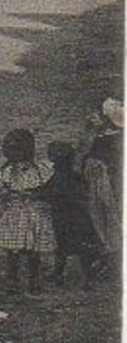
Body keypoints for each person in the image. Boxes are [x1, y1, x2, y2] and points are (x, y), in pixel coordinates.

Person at [0, 128, 56, 296]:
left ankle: (33, 281)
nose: (12, 155)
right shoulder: (6, 171)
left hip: (33, 214)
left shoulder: (39, 170)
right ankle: (12, 281)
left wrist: (34, 195)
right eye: (9, 150)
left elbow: (47, 191)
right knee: (12, 251)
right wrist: (7, 194)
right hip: (14, 215)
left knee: (32, 251)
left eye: (16, 150)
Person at [46, 141, 100, 291]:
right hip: (70, 218)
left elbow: (62, 194)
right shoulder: (67, 175)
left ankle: (86, 280)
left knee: (77, 249)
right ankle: (59, 274)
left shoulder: (66, 177)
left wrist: (45, 195)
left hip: (72, 219)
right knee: (65, 247)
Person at [82, 99, 122, 276]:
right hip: (97, 180)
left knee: (105, 216)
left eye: (95, 115)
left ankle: (111, 256)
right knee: (101, 216)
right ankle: (107, 254)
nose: (91, 118)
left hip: (103, 182)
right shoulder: (101, 135)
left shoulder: (108, 139)